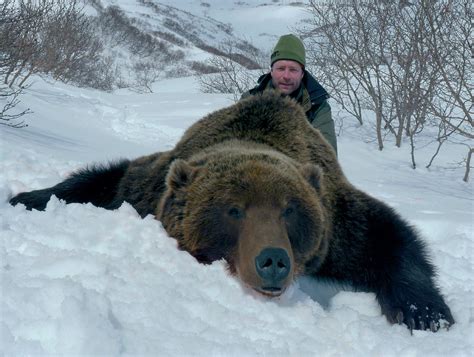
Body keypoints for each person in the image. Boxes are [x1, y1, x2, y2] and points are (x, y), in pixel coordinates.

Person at [242, 34, 337, 154]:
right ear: (271, 71)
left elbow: (326, 157)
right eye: (281, 69)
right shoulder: (249, 99)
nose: (286, 76)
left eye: (293, 70)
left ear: (302, 74)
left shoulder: (317, 106)